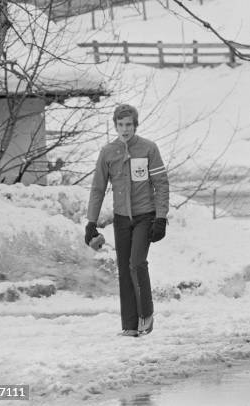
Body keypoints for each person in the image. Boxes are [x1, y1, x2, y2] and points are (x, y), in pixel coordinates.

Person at [85, 104, 169, 337]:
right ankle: (130, 325)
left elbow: (161, 185)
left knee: (137, 263)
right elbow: (98, 189)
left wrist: (161, 218)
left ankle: (147, 314)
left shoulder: (148, 149)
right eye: (120, 125)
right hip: (122, 218)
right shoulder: (107, 152)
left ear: (135, 125)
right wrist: (91, 222)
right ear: (115, 126)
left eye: (129, 125)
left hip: (145, 216)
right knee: (124, 269)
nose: (125, 129)